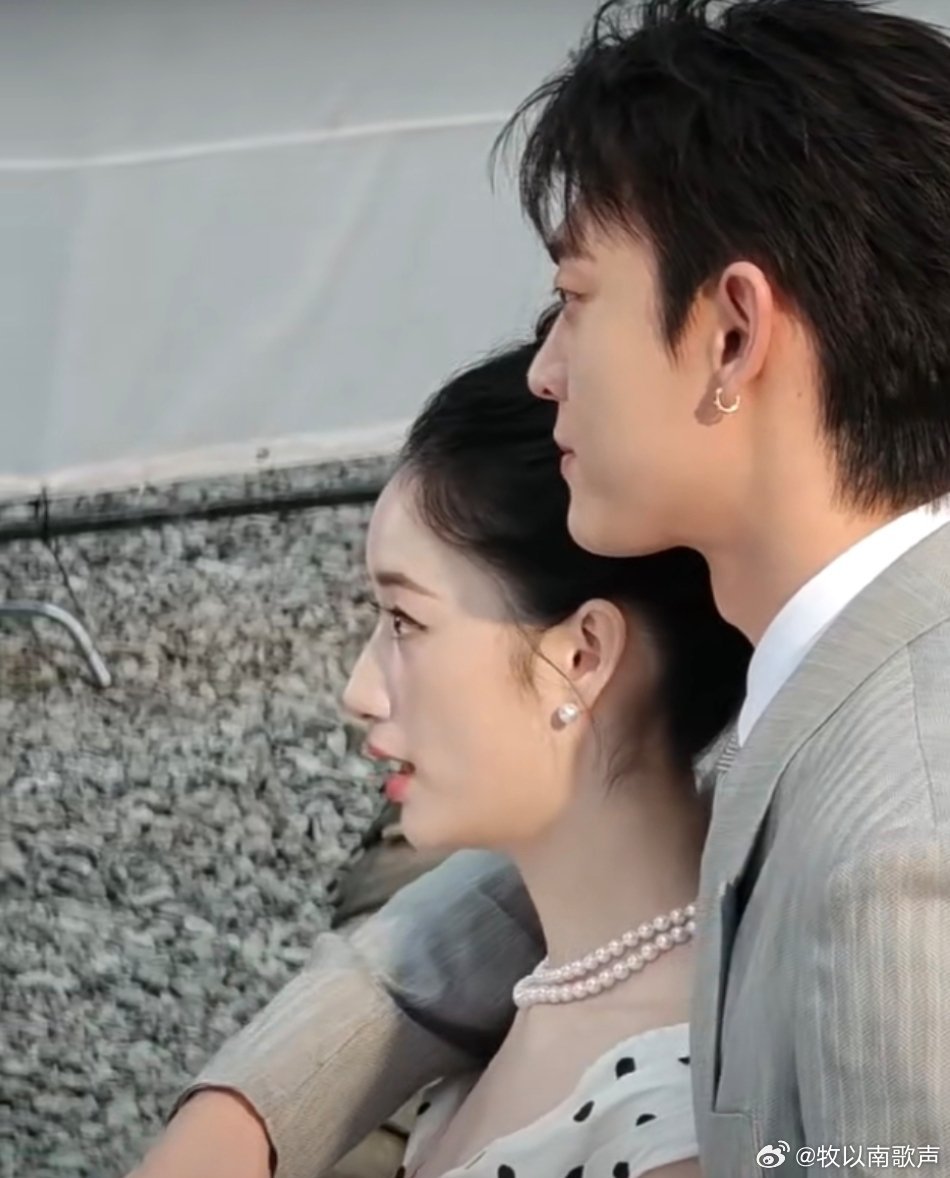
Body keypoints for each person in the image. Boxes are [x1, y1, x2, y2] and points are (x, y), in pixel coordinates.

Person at [130, 0, 950, 1175]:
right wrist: (255, 1100)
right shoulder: (821, 694)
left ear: (731, 333)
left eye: (575, 296)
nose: (544, 370)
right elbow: (600, 866)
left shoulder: (895, 863)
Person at [340, 336, 748, 1178]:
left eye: (406, 622)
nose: (360, 690)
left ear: (583, 656)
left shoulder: (676, 1129)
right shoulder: (539, 986)